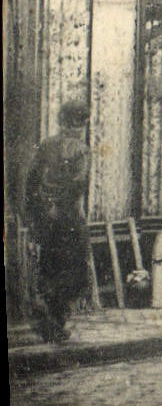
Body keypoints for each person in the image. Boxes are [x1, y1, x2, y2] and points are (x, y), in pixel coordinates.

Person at [24, 101, 92, 343]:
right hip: (69, 218)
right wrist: (61, 207)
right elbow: (77, 185)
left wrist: (40, 209)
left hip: (47, 217)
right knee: (72, 270)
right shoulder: (81, 150)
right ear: (80, 123)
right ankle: (57, 322)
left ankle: (51, 319)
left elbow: (31, 182)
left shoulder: (46, 146)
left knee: (50, 266)